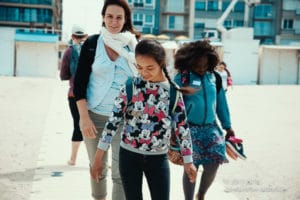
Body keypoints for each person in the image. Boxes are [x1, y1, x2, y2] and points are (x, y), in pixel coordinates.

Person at [90, 39, 197, 200]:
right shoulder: (130, 86)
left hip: (159, 158)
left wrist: (188, 161)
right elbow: (113, 122)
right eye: (139, 67)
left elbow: (182, 128)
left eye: (149, 68)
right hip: (129, 157)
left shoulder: (173, 92)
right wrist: (98, 158)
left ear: (161, 63)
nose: (144, 73)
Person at [73, 0, 140, 199]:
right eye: (109, 16)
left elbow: (143, 79)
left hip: (124, 119)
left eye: (119, 17)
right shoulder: (92, 43)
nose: (113, 21)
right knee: (97, 167)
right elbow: (80, 84)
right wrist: (84, 118)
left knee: (121, 172)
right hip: (94, 117)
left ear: (126, 19)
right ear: (103, 17)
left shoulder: (134, 45)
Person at [173, 40, 236, 200]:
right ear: (189, 62)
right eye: (197, 67)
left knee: (214, 162)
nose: (201, 70)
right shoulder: (182, 78)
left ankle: (201, 195)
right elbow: (172, 104)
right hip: (188, 129)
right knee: (191, 166)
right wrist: (173, 130)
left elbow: (222, 103)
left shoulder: (214, 77)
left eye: (204, 66)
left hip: (211, 127)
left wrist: (228, 126)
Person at [60, 24, 88, 166]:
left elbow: (63, 75)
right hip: (92, 95)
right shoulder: (92, 51)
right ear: (86, 36)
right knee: (95, 125)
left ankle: (73, 159)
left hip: (74, 95)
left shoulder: (68, 52)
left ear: (72, 37)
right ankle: (98, 159)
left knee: (78, 125)